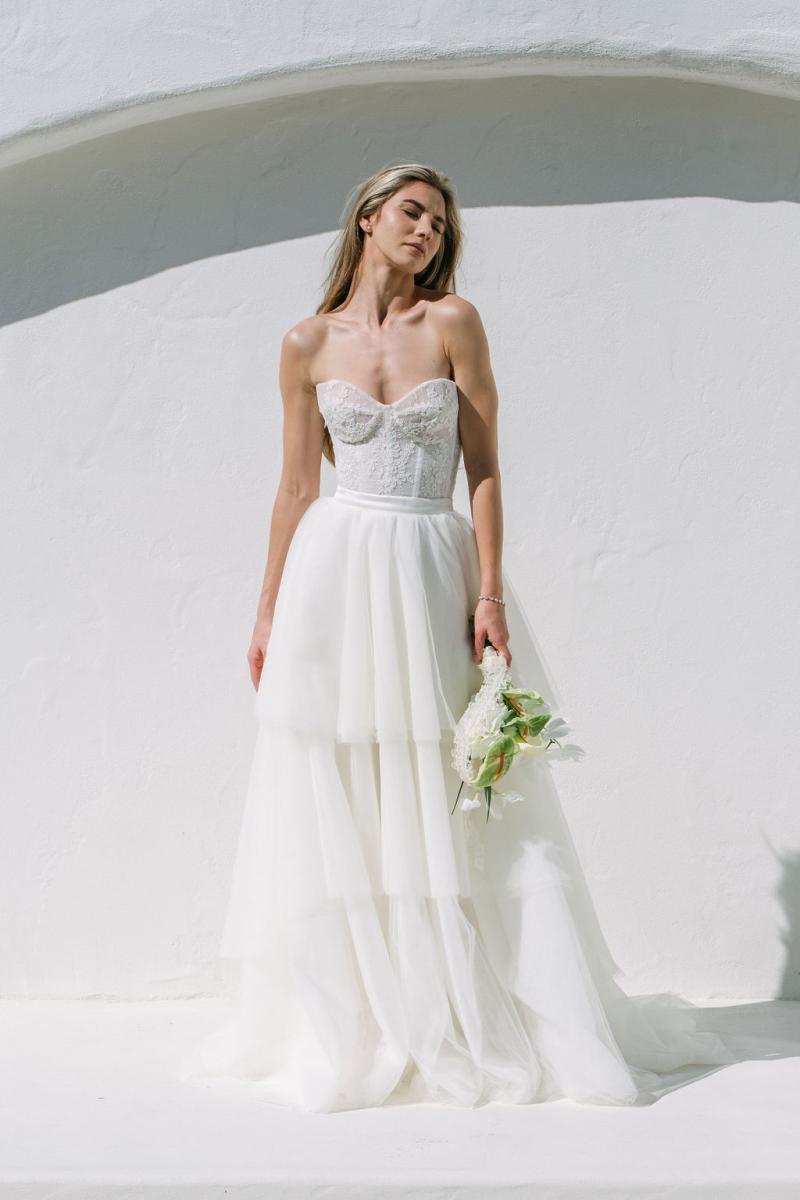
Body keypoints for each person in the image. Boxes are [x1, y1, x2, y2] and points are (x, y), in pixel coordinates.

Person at [180, 162, 737, 1112]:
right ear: (366, 217)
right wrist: (268, 609)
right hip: (336, 577)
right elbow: (294, 488)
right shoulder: (305, 342)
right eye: (412, 213)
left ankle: (467, 1003)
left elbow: (483, 468)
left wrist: (489, 596)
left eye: (439, 223)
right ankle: (365, 1011)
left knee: (457, 782)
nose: (427, 232)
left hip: (430, 564)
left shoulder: (454, 324)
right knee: (348, 783)